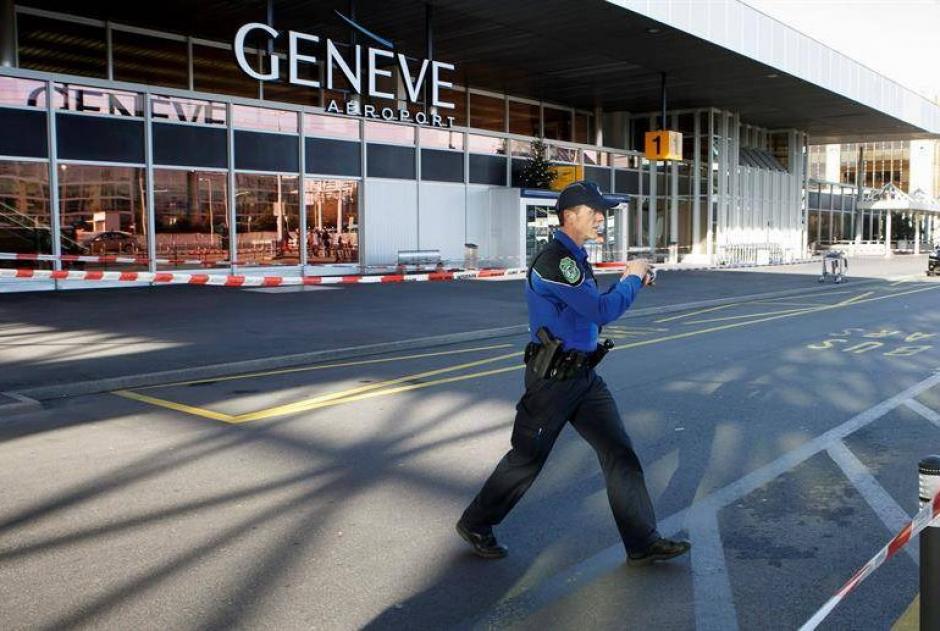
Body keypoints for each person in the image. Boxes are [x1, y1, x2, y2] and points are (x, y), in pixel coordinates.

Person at [457, 180, 691, 566]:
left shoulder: (575, 258)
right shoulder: (557, 261)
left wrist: (629, 280)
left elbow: (591, 307)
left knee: (619, 452)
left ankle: (642, 542)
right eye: (594, 211)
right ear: (569, 216)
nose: (601, 218)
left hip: (583, 377)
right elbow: (600, 311)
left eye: (603, 212)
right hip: (552, 382)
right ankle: (476, 522)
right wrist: (632, 277)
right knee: (526, 459)